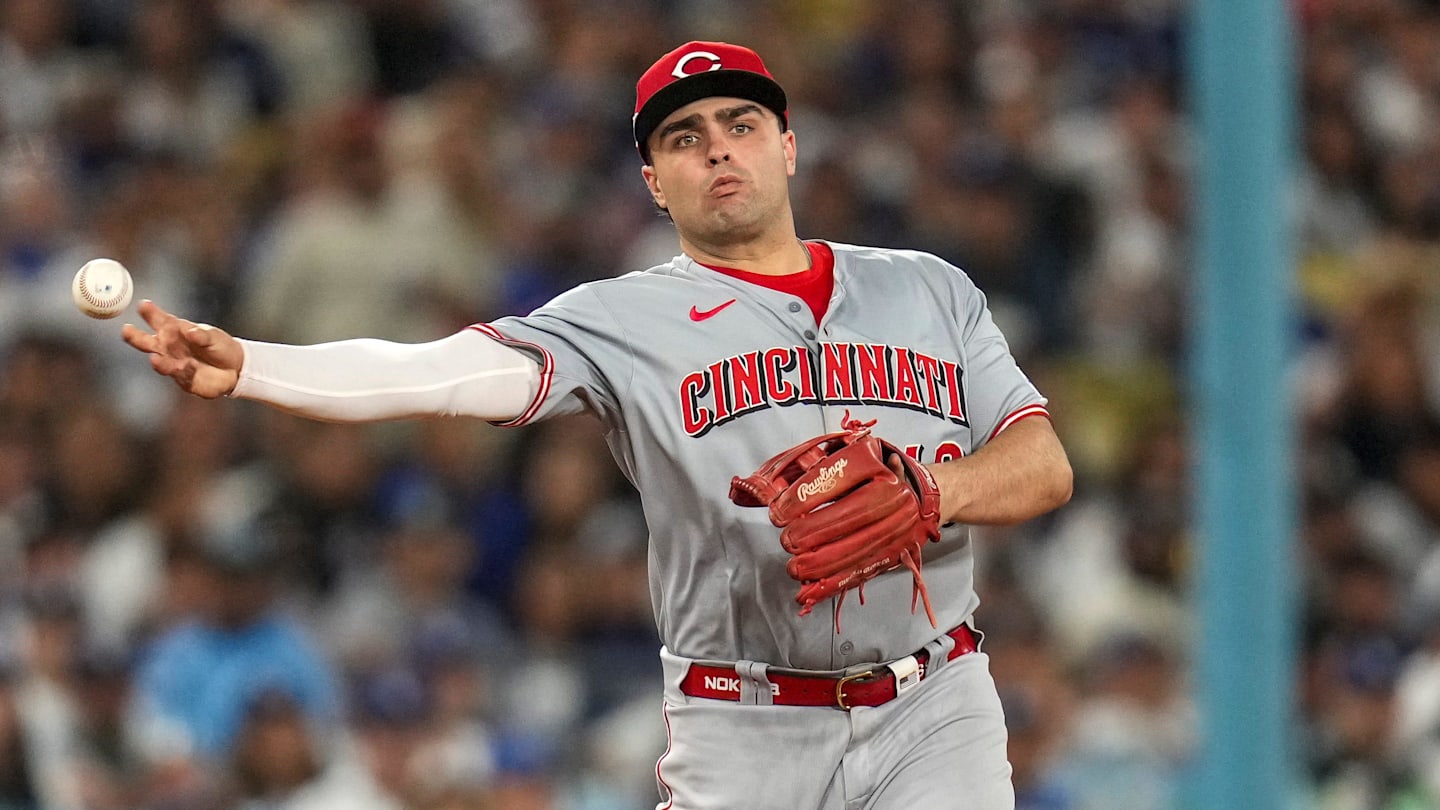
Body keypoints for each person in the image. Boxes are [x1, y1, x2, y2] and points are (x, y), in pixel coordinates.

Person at [122, 40, 1072, 809]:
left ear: (787, 144)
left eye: (741, 124)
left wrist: (933, 491)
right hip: (747, 720)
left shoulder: (928, 289)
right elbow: (442, 373)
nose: (718, 149)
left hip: (934, 698)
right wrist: (257, 365)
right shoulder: (618, 320)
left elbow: (1043, 463)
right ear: (655, 180)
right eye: (685, 136)